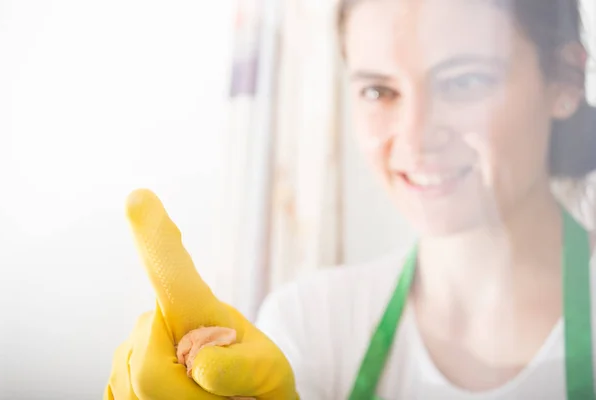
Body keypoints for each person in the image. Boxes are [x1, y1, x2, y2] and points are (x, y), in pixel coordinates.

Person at [104, 0, 596, 399]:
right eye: (380, 91)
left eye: (464, 81)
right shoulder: (311, 324)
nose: (416, 137)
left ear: (566, 82)